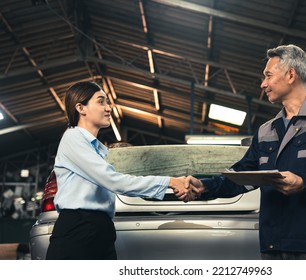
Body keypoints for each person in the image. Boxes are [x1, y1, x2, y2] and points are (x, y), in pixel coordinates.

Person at [184, 44, 306, 260]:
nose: (263, 84)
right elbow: (242, 177)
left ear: (291, 75)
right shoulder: (266, 131)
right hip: (273, 247)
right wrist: (204, 185)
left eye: (268, 76)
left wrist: (304, 183)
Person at [46, 81, 195, 260]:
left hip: (101, 228)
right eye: (101, 102)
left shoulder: (101, 150)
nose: (108, 108)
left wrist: (176, 182)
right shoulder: (73, 137)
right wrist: (170, 181)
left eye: (107, 102)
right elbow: (114, 181)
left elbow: (128, 179)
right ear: (81, 107)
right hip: (77, 228)